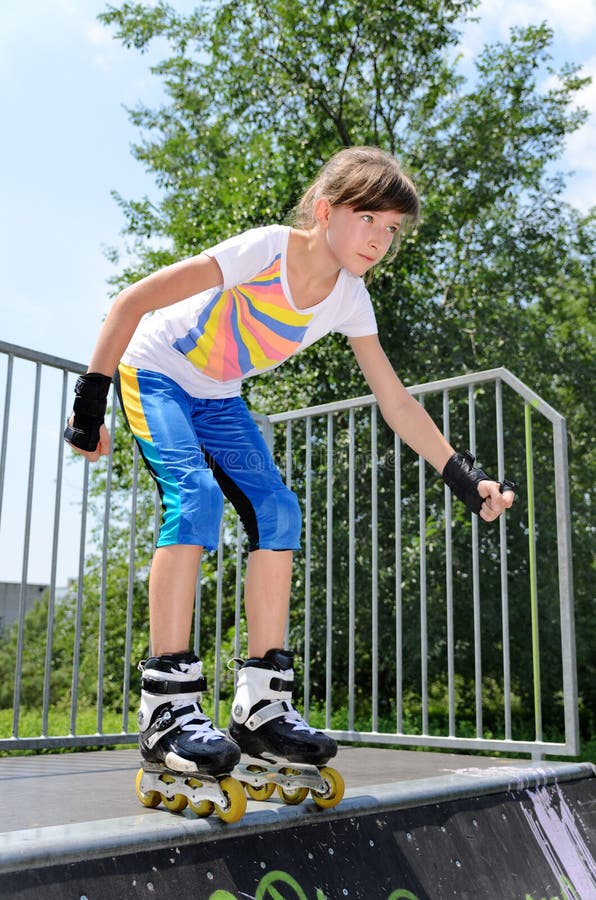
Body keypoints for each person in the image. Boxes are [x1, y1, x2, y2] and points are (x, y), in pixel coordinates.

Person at [64, 146, 515, 781]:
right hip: (156, 371)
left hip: (218, 398)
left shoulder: (351, 300)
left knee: (278, 510)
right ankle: (167, 705)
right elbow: (131, 302)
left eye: (391, 231)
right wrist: (90, 405)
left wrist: (465, 479)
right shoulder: (266, 250)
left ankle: (261, 705)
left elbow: (397, 403)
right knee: (194, 498)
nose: (379, 241)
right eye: (370, 221)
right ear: (326, 211)